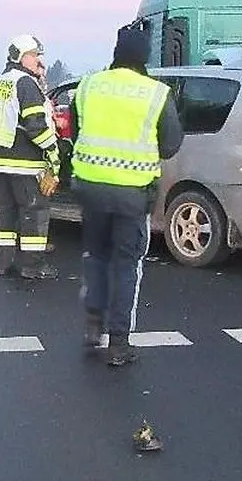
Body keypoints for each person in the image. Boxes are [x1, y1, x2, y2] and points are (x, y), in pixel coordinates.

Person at [69, 26, 183, 366]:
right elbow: (170, 144)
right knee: (126, 265)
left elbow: (76, 132)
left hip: (90, 187)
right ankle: (118, 343)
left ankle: (93, 327)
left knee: (96, 257)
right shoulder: (156, 93)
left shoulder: (89, 85)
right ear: (144, 56)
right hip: (132, 194)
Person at [0, 34, 61, 280]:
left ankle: (3, 263)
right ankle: (32, 266)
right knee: (33, 214)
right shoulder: (25, 83)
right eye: (36, 56)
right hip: (25, 163)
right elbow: (35, 124)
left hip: (0, 162)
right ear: (23, 57)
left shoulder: (1, 82)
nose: (39, 61)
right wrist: (52, 151)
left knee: (6, 214)